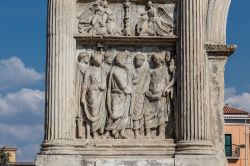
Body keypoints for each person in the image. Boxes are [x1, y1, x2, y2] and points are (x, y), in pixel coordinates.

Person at [106, 52, 134, 139]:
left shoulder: (125, 70)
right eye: (125, 60)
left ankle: (121, 131)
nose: (126, 62)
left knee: (125, 115)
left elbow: (130, 81)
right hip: (117, 96)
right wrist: (128, 90)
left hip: (125, 96)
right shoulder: (115, 70)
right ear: (120, 60)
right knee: (114, 114)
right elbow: (122, 85)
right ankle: (107, 131)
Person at [81, 53, 107, 139]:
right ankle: (94, 132)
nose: (100, 60)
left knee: (102, 112)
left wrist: (100, 86)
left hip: (101, 94)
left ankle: (99, 132)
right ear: (94, 60)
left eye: (101, 59)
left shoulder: (103, 70)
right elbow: (85, 84)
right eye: (98, 59)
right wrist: (82, 96)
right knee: (94, 112)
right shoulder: (89, 70)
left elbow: (104, 85)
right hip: (92, 93)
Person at [144, 53, 170, 138]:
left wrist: (164, 91)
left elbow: (167, 84)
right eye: (155, 60)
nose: (156, 61)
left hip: (160, 96)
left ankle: (161, 132)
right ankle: (147, 132)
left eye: (157, 59)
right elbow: (147, 84)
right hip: (151, 96)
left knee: (161, 114)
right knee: (147, 113)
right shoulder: (151, 71)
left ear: (161, 60)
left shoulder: (164, 71)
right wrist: (148, 93)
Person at [132, 54, 149, 138]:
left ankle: (139, 131)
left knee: (139, 112)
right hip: (133, 93)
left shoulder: (145, 71)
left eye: (139, 60)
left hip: (141, 94)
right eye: (136, 60)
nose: (137, 62)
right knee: (134, 112)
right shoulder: (133, 70)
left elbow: (147, 82)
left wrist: (142, 92)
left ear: (143, 61)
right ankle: (135, 132)